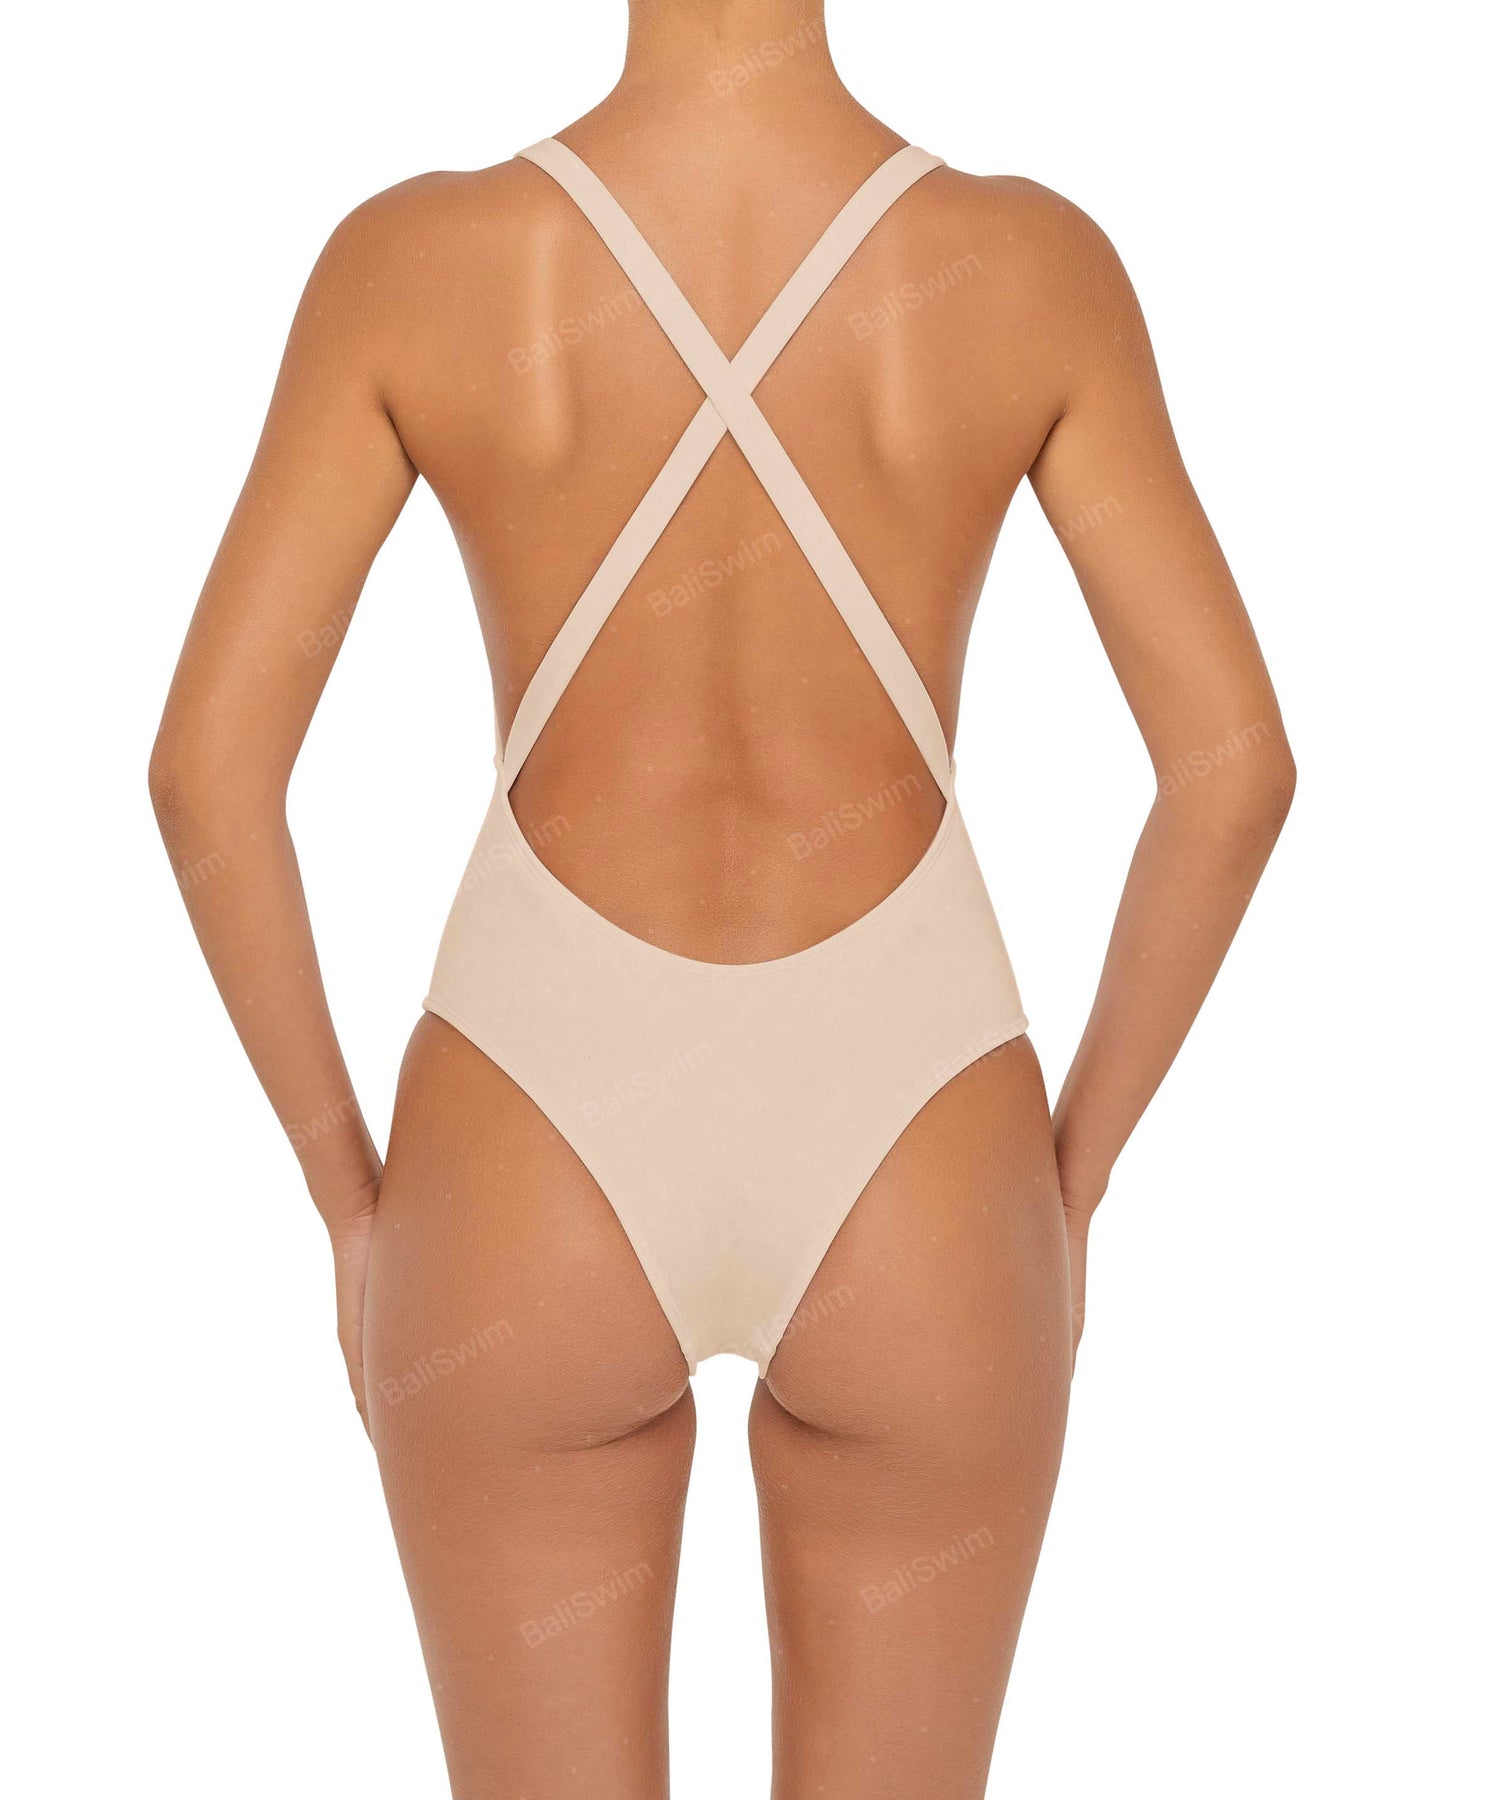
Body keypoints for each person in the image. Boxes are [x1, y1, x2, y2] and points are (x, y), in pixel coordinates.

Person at [149, 1, 1295, 1792]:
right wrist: (1065, 1192)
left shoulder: (419, 265)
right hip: (923, 1142)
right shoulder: (1027, 267)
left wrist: (350, 1209)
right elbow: (1233, 769)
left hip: (527, 1136)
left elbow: (207, 774)